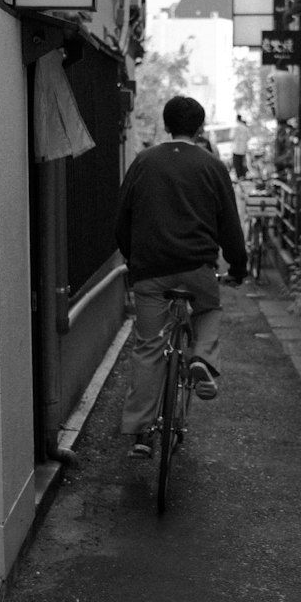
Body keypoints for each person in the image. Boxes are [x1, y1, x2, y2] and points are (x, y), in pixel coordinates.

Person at [115, 95, 248, 458]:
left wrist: (134, 258)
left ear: (166, 124)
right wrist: (238, 266)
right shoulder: (212, 166)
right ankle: (202, 358)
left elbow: (122, 218)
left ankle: (141, 433)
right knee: (208, 311)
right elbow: (230, 226)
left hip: (151, 271)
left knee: (148, 347)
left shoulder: (144, 162)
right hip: (197, 269)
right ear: (200, 127)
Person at [231, 113, 250, 179]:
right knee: (243, 165)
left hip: (236, 150)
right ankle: (244, 177)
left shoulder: (235, 127)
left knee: (237, 166)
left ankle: (240, 178)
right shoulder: (245, 127)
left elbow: (231, 137)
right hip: (243, 150)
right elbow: (248, 137)